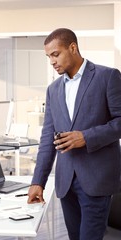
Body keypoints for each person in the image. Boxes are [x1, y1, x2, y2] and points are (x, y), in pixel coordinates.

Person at [27, 28, 121, 240]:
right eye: (48, 56)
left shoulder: (107, 76)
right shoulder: (53, 89)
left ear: (73, 47)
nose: (52, 61)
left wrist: (86, 137)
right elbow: (47, 139)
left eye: (55, 54)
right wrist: (38, 182)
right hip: (66, 183)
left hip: (97, 179)